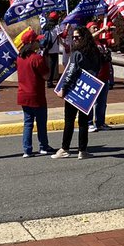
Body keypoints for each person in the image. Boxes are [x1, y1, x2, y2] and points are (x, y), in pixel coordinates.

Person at [53, 25, 101, 159]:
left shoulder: (77, 53)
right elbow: (97, 69)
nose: (74, 40)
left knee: (69, 120)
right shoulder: (95, 52)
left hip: (74, 90)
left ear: (84, 37)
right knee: (83, 122)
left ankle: (64, 148)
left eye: (77, 37)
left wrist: (63, 88)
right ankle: (82, 150)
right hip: (88, 91)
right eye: (73, 37)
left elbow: (70, 71)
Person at [16, 30, 53, 157]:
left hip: (23, 95)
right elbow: (47, 76)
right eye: (37, 40)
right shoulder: (37, 59)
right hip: (36, 95)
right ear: (31, 43)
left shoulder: (19, 58)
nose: (39, 42)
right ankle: (43, 146)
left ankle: (27, 149)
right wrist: (46, 59)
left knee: (28, 123)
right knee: (41, 122)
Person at [88, 19, 116, 132]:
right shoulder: (88, 42)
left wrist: (114, 32)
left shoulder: (102, 42)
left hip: (104, 75)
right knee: (90, 101)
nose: (96, 29)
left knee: (102, 102)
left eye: (97, 27)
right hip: (93, 76)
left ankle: (100, 122)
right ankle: (89, 123)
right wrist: (101, 30)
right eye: (94, 28)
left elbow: (115, 42)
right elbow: (89, 38)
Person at [41, 11, 63, 84]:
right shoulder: (56, 27)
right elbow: (62, 36)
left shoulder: (45, 26)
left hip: (46, 48)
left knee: (47, 64)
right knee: (52, 65)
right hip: (54, 49)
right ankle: (50, 81)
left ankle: (47, 79)